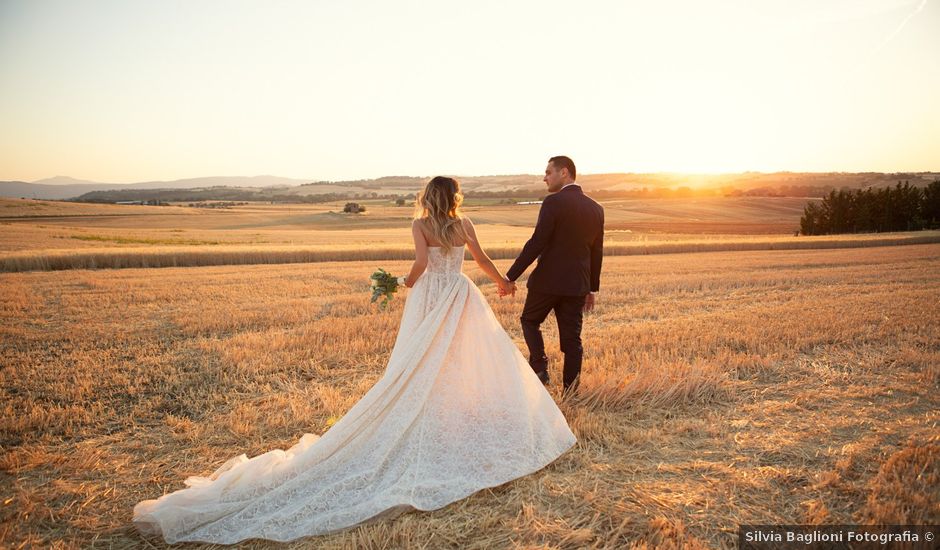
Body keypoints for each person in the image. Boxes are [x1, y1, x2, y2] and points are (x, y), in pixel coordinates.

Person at [132, 176, 576, 545]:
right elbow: (478, 260)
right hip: (459, 295)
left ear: (429, 197)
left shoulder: (421, 224)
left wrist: (404, 283)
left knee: (416, 364)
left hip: (430, 298)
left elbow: (420, 266)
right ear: (455, 198)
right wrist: (502, 282)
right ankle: (448, 412)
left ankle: (426, 412)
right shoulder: (464, 223)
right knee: (459, 358)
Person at [503, 156, 605, 395]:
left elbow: (538, 242)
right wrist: (591, 288)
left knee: (529, 321)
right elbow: (596, 252)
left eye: (549, 172)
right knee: (572, 341)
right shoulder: (596, 208)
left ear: (564, 173)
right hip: (576, 286)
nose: (544, 177)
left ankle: (539, 366)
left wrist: (511, 276)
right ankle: (571, 392)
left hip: (547, 282)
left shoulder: (553, 202)